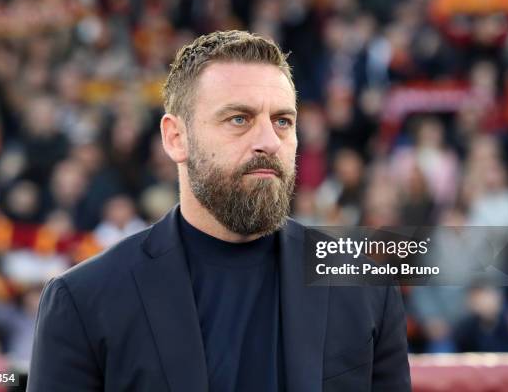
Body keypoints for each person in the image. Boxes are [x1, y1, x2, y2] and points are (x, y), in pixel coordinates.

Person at [27, 30, 411, 392]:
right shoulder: (84, 300)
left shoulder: (367, 288)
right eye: (239, 119)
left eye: (282, 121)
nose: (268, 141)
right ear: (176, 138)